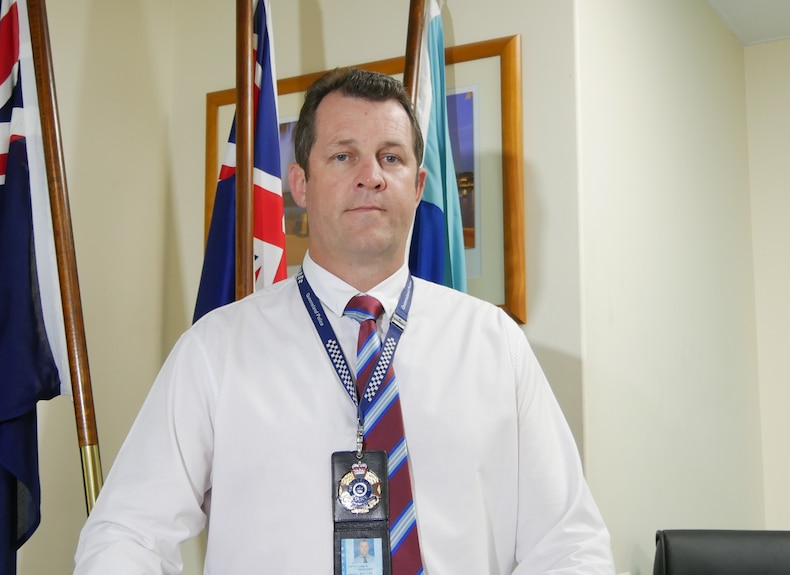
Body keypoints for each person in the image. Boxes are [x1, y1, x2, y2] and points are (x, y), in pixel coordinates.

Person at [74, 68, 615, 574]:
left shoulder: (494, 344)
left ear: (418, 184)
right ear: (300, 185)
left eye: (391, 158)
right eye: (342, 156)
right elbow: (127, 533)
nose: (370, 177)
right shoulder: (216, 348)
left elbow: (569, 542)